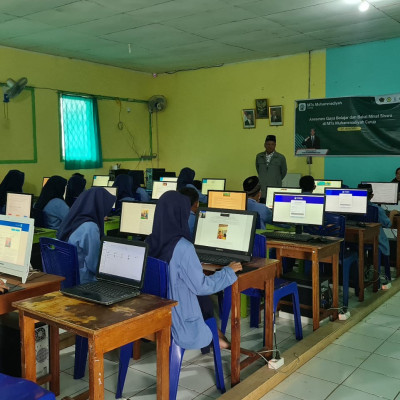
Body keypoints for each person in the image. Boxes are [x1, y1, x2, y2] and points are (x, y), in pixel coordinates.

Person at [146, 191, 242, 350]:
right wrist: (228, 272)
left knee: (201, 301)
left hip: (156, 313)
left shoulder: (149, 240)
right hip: (178, 321)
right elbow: (202, 286)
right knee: (204, 300)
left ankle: (216, 334)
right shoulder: (183, 247)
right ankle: (216, 337)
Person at [57, 187, 116, 284]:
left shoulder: (74, 220)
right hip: (85, 281)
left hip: (68, 276)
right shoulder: (90, 227)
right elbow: (94, 265)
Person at [358, 183, 398, 263]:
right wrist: (392, 213)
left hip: (357, 240)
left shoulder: (353, 208)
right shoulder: (377, 209)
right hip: (374, 240)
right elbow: (388, 224)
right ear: (372, 196)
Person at [255, 135, 287, 201]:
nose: (270, 146)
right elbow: (258, 170)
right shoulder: (259, 156)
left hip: (275, 189)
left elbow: (283, 172)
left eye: (272, 144)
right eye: (268, 144)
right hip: (262, 190)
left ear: (275, 145)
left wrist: (275, 179)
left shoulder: (280, 157)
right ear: (264, 145)